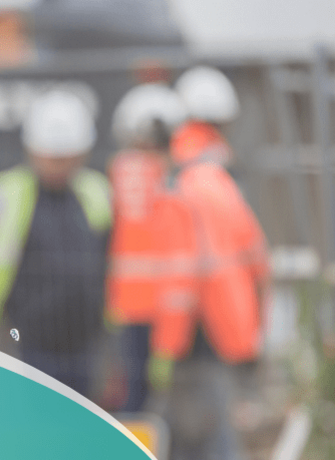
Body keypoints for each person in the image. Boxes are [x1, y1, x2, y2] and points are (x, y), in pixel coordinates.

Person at [0, 90, 112, 400]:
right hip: (17, 338)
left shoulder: (96, 192)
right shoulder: (7, 193)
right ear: (32, 151)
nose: (59, 165)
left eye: (67, 158)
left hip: (84, 341)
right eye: (52, 157)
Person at [156, 65, 270, 460]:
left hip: (186, 330)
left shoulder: (181, 175)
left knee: (191, 435)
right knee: (211, 439)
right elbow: (251, 261)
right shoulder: (214, 179)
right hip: (212, 331)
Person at [105, 82, 197, 412]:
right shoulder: (176, 184)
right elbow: (179, 266)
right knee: (153, 408)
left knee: (127, 400)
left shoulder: (114, 176)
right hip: (164, 316)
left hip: (122, 309)